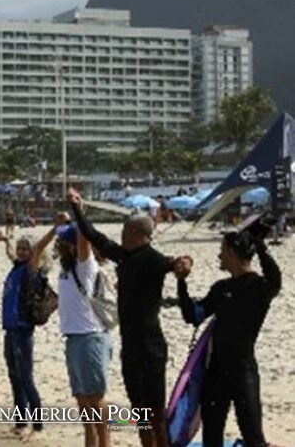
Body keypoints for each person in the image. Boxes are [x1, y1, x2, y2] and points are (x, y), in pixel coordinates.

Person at [68, 188, 176, 447]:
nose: (121, 236)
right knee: (140, 414)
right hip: (131, 348)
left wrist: (184, 263)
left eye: (124, 231)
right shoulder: (125, 257)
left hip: (151, 348)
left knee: (156, 415)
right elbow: (93, 235)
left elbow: (174, 265)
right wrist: (77, 209)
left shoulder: (154, 260)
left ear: (136, 233)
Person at [175, 231, 281, 447]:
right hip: (215, 372)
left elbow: (275, 279)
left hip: (243, 372)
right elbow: (193, 316)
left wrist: (259, 243)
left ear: (232, 253)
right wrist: (181, 284)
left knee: (253, 436)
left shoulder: (259, 287)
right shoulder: (221, 289)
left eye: (222, 251)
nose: (219, 256)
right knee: (211, 436)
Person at [32, 215, 111, 447]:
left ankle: (105, 443)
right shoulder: (66, 269)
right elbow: (37, 251)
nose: (64, 245)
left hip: (91, 338)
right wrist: (55, 226)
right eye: (62, 241)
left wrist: (78, 213)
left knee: (96, 400)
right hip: (73, 340)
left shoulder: (86, 266)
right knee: (82, 401)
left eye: (68, 241)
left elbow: (84, 237)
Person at [0, 233, 44, 439]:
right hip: (10, 330)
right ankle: (21, 423)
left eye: (26, 249)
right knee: (14, 377)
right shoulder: (17, 267)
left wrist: (54, 228)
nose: (21, 251)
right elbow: (11, 253)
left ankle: (37, 426)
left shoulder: (30, 270)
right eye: (20, 248)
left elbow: (39, 248)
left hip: (22, 330)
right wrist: (6, 240)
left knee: (26, 377)